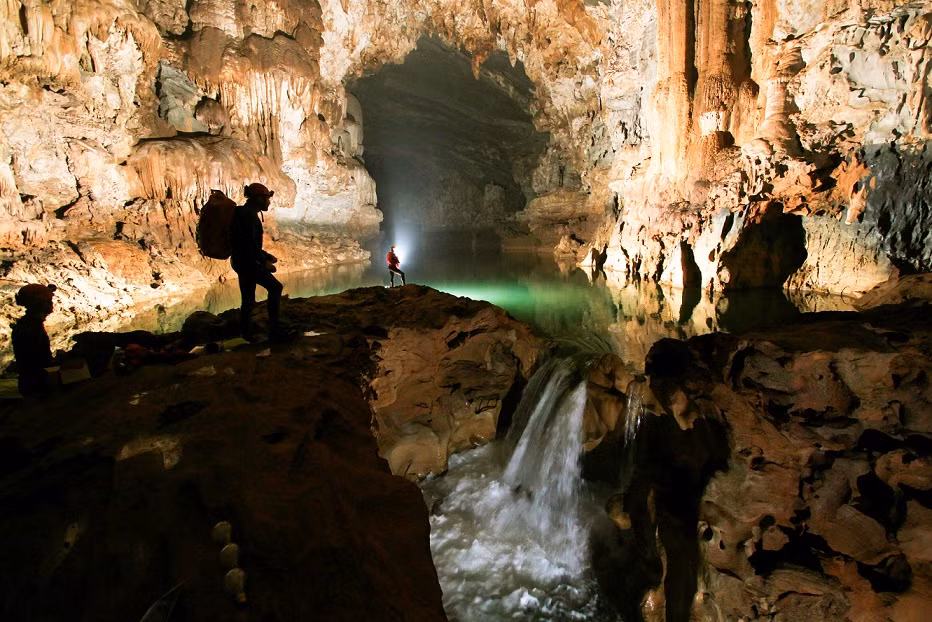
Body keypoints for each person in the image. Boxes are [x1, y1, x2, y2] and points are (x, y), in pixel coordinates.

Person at [231, 182, 286, 341]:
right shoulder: (248, 216)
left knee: (248, 299)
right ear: (259, 199)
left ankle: (246, 334)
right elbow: (249, 244)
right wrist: (264, 262)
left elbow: (248, 243)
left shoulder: (243, 213)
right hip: (248, 263)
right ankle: (275, 331)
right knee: (275, 287)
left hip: (240, 261)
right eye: (267, 199)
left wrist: (266, 256)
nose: (268, 202)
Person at [11, 283, 57, 397]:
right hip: (36, 386)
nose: (52, 303)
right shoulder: (31, 328)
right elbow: (37, 362)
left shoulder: (29, 324)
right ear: (39, 304)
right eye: (48, 300)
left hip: (31, 382)